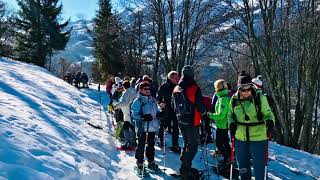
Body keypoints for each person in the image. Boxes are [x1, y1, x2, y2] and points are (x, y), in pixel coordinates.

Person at [228, 71, 275, 180]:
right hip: (240, 137)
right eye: (243, 89)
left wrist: (270, 121)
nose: (246, 91)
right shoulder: (234, 100)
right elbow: (230, 115)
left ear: (252, 87)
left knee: (259, 166)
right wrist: (231, 124)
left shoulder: (260, 98)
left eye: (248, 88)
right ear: (239, 88)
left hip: (258, 136)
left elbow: (268, 114)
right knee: (243, 166)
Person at [172, 65, 206, 179]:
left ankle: (184, 166)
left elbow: (174, 105)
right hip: (192, 120)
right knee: (193, 146)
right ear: (192, 74)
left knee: (186, 143)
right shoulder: (194, 87)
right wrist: (205, 113)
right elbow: (200, 106)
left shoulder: (177, 87)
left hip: (180, 119)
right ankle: (185, 170)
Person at [131, 81, 161, 176]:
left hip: (152, 127)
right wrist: (143, 117)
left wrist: (159, 114)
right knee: (141, 145)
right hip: (142, 127)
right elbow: (134, 115)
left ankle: (151, 162)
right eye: (145, 89)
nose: (148, 91)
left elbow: (156, 110)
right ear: (140, 89)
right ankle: (139, 163)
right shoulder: (138, 100)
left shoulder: (152, 99)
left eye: (149, 89)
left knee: (151, 145)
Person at [208, 79, 232, 171]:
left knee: (219, 143)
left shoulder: (223, 99)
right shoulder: (225, 97)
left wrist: (210, 115)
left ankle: (227, 158)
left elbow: (221, 115)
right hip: (224, 125)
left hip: (222, 125)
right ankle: (229, 157)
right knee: (225, 142)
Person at [157, 71, 181, 152]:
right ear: (170, 78)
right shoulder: (164, 86)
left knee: (176, 128)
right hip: (166, 109)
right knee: (163, 125)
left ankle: (175, 144)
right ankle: (160, 140)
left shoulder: (179, 86)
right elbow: (158, 97)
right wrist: (160, 103)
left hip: (176, 110)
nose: (177, 79)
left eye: (178, 77)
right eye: (175, 78)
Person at [113, 80, 137, 150]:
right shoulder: (134, 91)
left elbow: (124, 103)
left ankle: (129, 144)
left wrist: (115, 106)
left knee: (126, 128)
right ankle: (132, 144)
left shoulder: (127, 92)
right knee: (131, 128)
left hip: (127, 113)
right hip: (131, 112)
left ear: (123, 86)